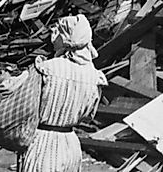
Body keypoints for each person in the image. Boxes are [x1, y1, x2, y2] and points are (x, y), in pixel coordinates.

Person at [21, 14, 107, 172]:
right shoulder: (94, 76)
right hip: (71, 145)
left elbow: (24, 102)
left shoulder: (47, 68)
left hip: (44, 144)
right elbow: (88, 116)